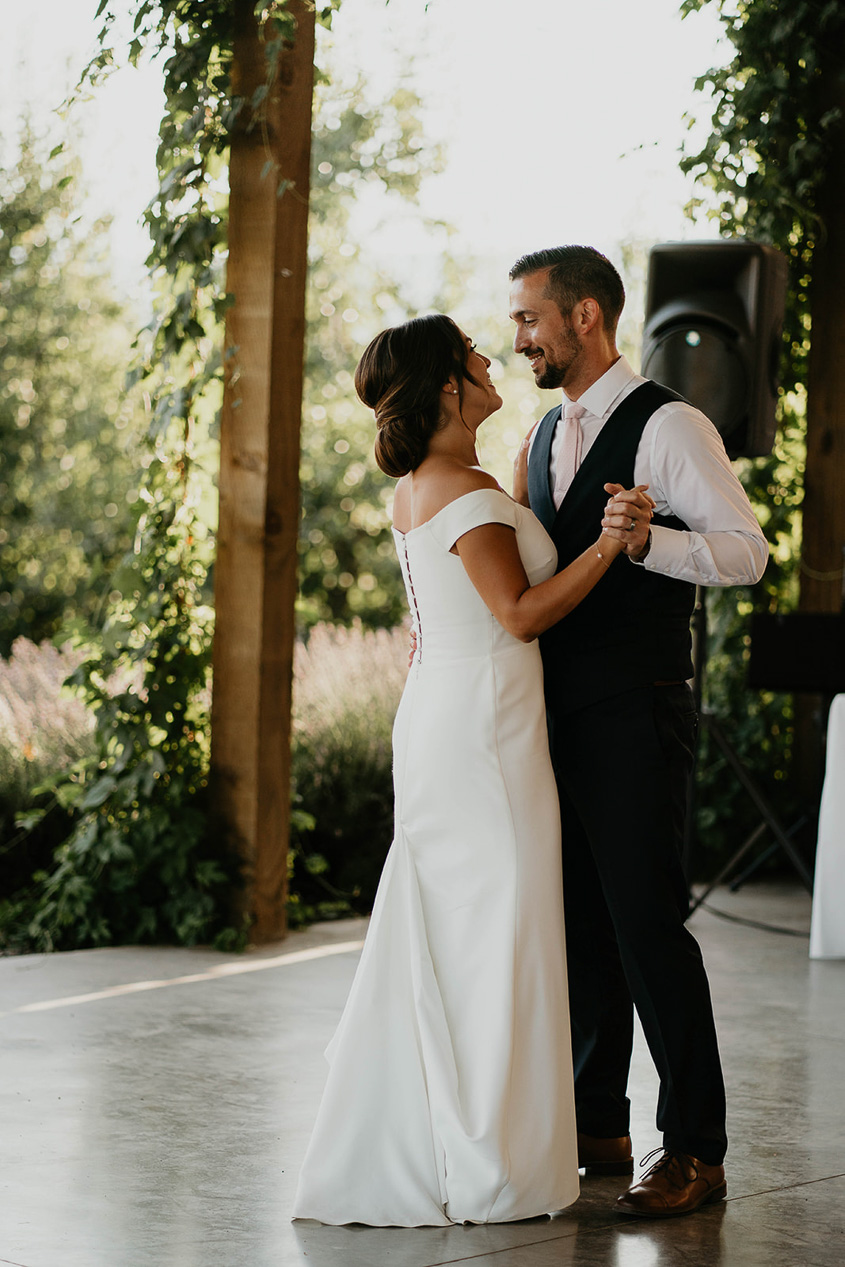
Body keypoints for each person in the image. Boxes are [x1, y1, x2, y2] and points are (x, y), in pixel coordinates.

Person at [292, 313, 654, 1227]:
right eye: (473, 357)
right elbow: (522, 614)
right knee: (499, 933)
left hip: (449, 718)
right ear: (449, 386)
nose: (494, 360)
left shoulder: (431, 482)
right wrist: (610, 544)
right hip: (483, 738)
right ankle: (492, 1160)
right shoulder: (463, 488)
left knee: (468, 935)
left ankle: (462, 1140)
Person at [509, 245, 768, 1218]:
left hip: (638, 708)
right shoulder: (538, 436)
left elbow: (744, 554)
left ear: (584, 317)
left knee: (647, 924)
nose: (520, 337)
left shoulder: (670, 424)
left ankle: (694, 1146)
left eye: (529, 318)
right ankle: (596, 1123)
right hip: (553, 718)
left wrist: (646, 540)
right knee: (580, 924)